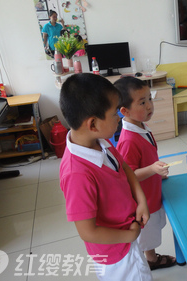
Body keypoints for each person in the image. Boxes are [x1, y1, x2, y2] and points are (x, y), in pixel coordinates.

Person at [59, 73, 152, 281]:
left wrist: (141, 199)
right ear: (92, 124)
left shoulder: (100, 141)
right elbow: (88, 232)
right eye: (114, 114)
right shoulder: (77, 174)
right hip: (114, 256)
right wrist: (129, 236)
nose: (119, 117)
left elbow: (124, 167)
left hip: (128, 236)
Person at [114, 76, 177, 270]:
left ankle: (151, 257)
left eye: (150, 98)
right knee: (147, 234)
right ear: (124, 111)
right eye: (142, 102)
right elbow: (127, 175)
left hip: (151, 191)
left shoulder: (141, 126)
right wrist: (152, 169)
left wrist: (156, 173)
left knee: (152, 232)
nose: (150, 105)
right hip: (143, 201)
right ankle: (146, 262)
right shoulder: (129, 140)